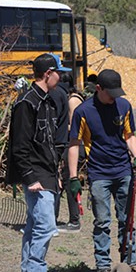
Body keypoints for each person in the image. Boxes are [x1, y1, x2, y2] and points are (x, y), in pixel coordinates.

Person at [67, 69, 136, 272]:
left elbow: (129, 136)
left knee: (126, 220)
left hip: (123, 171)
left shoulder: (124, 106)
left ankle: (129, 263)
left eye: (117, 93)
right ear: (98, 89)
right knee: (102, 221)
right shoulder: (84, 111)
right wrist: (73, 177)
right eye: (110, 93)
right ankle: (102, 266)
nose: (114, 97)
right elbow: (74, 144)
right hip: (99, 173)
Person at [6, 53, 70, 272]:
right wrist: (31, 178)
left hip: (47, 173)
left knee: (35, 227)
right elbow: (19, 146)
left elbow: (51, 143)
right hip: (36, 174)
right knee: (45, 227)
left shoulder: (48, 100)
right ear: (47, 74)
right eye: (58, 72)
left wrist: (57, 175)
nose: (61, 76)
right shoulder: (27, 103)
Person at [55, 72, 85, 233]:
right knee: (63, 180)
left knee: (69, 181)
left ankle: (74, 220)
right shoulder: (68, 98)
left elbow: (76, 128)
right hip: (68, 144)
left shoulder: (73, 100)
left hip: (74, 146)